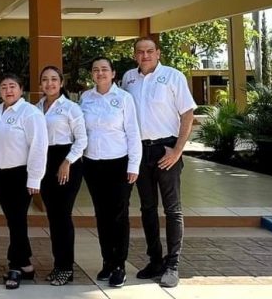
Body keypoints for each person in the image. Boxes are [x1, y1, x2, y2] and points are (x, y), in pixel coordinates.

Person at [122, 37, 196, 288]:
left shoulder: (174, 76)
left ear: (158, 53)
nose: (145, 55)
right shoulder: (128, 78)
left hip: (166, 150)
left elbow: (187, 114)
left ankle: (172, 264)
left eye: (149, 51)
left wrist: (177, 150)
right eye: (140, 52)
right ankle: (155, 260)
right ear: (135, 55)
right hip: (140, 152)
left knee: (172, 209)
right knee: (147, 208)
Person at [80, 57, 141, 288]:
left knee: (119, 215)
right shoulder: (85, 98)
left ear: (113, 73)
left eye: (105, 69)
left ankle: (119, 265)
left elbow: (133, 133)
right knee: (102, 214)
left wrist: (134, 165)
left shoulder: (124, 98)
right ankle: (107, 260)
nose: (100, 73)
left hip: (119, 164)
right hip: (93, 164)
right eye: (95, 70)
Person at [0, 73, 48, 289]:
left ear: (21, 89)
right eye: (3, 86)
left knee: (17, 220)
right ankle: (26, 264)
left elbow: (39, 146)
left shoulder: (30, 113)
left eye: (12, 86)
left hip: (21, 174)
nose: (8, 90)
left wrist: (34, 178)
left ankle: (15, 266)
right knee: (13, 220)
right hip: (1, 174)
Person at [35, 66, 87, 286]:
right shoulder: (36, 108)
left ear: (61, 83)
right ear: (40, 85)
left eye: (54, 79)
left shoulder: (71, 108)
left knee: (63, 216)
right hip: (44, 162)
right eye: (45, 80)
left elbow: (82, 140)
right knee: (53, 217)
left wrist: (67, 161)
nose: (50, 84)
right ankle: (58, 265)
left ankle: (66, 267)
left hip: (66, 162)